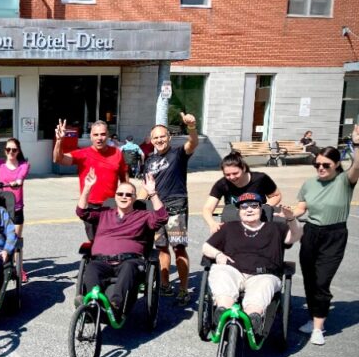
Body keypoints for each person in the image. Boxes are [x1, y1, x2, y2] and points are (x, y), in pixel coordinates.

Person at [293, 129, 359, 345]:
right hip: (311, 233)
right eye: (317, 165)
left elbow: (357, 166)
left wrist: (356, 144)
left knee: (322, 281)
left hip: (334, 235)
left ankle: (318, 329)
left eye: (326, 165)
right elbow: (301, 208)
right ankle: (314, 318)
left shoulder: (344, 181)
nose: (321, 168)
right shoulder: (309, 184)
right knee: (311, 280)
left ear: (337, 165)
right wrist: (287, 214)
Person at [202, 193, 302, 334]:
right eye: (244, 207)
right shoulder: (228, 227)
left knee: (263, 287)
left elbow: (294, 237)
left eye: (254, 206)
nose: (249, 209)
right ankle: (223, 312)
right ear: (239, 211)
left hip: (263, 275)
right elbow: (206, 247)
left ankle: (253, 318)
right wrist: (218, 254)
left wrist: (291, 219)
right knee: (219, 271)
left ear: (261, 209)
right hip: (233, 271)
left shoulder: (275, 228)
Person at [74, 171, 167, 317]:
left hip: (129, 261)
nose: (124, 197)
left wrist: (152, 193)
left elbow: (162, 218)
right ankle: (93, 303)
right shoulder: (104, 213)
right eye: (120, 194)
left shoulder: (143, 216)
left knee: (129, 267)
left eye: (128, 195)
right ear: (115, 196)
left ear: (135, 198)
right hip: (101, 261)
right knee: (91, 267)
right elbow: (81, 212)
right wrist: (87, 188)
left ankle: (115, 306)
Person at [142, 112, 199, 306]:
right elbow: (147, 186)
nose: (159, 140)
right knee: (161, 247)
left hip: (176, 205)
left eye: (162, 136)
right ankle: (165, 284)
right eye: (155, 137)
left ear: (169, 137)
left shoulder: (178, 153)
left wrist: (191, 127)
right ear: (151, 140)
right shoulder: (148, 161)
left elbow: (193, 143)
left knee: (178, 247)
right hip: (156, 207)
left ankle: (183, 289)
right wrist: (139, 205)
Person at [54, 119, 128, 239]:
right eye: (96, 134)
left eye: (103, 134)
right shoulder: (83, 154)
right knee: (95, 242)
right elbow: (59, 159)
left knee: (113, 241)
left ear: (108, 135)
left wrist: (127, 200)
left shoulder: (117, 153)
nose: (99, 138)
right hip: (90, 207)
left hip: (112, 205)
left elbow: (124, 178)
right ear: (91, 137)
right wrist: (59, 141)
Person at [0, 136, 30, 281]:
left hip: (17, 208)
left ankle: (18, 268)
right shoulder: (0, 164)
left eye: (14, 150)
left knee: (15, 239)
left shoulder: (23, 165)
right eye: (8, 149)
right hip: (1, 206)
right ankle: (0, 264)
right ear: (5, 151)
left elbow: (21, 176)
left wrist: (17, 181)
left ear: (18, 151)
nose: (11, 152)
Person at [202, 151, 282, 234]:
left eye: (235, 173)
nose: (232, 177)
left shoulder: (261, 179)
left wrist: (264, 207)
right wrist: (212, 223)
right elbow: (207, 208)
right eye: (227, 174)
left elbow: (276, 195)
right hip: (235, 222)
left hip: (259, 221)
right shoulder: (222, 184)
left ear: (243, 168)